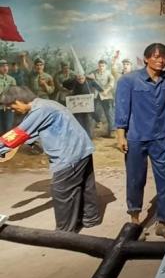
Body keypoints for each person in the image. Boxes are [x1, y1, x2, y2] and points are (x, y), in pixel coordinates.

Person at [114, 43, 165, 239]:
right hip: (136, 138)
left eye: (164, 57)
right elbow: (121, 109)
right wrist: (120, 135)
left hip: (160, 138)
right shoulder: (128, 80)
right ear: (146, 59)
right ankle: (135, 223)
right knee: (135, 180)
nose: (160, 60)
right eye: (156, 56)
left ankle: (163, 223)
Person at [0, 86, 101, 232]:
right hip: (82, 150)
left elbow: (18, 134)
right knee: (85, 185)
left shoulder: (40, 110)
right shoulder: (46, 104)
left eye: (11, 106)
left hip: (69, 155)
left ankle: (64, 234)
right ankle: (90, 219)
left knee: (62, 191)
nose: (11, 110)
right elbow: (33, 134)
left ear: (18, 100)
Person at [63, 73, 101, 140]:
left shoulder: (90, 81)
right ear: (76, 78)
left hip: (87, 106)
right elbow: (64, 84)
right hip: (76, 107)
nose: (80, 80)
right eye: (79, 79)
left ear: (85, 77)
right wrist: (73, 78)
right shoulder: (73, 82)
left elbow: (99, 88)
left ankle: (88, 137)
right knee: (78, 121)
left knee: (87, 121)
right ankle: (80, 137)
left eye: (82, 78)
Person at [89, 59, 115, 137]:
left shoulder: (108, 73)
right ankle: (93, 128)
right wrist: (89, 77)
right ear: (98, 66)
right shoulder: (94, 72)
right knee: (91, 110)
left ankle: (112, 131)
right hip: (95, 95)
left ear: (105, 66)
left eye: (103, 66)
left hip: (105, 95)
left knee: (109, 113)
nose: (101, 67)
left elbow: (111, 83)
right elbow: (86, 76)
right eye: (100, 66)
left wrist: (107, 90)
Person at [0, 59, 17, 132]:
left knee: (8, 129)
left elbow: (14, 93)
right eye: (2, 66)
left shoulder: (12, 79)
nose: (5, 68)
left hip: (9, 107)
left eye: (6, 66)